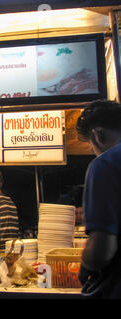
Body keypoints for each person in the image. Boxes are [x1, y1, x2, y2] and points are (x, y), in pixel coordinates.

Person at [75, 100, 121, 299]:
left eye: (89, 144)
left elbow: (102, 248)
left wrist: (86, 265)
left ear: (97, 134)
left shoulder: (106, 163)